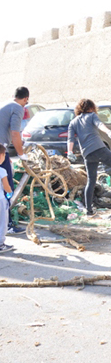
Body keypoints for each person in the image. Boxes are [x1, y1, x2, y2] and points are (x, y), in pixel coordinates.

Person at [67, 99, 111, 216]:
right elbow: (100, 125)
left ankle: (89, 210)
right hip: (99, 149)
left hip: (87, 154)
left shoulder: (73, 122)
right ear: (91, 107)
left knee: (91, 181)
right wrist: (109, 132)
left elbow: (70, 139)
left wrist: (69, 152)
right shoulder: (92, 116)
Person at [0, 87, 31, 235]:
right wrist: (21, 154)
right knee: (7, 188)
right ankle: (8, 225)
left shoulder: (5, 104)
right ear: (25, 99)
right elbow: (15, 133)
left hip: (2, 151)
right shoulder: (18, 108)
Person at [0, 145, 14, 252]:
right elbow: (6, 186)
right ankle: (0, 244)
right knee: (3, 221)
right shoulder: (2, 171)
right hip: (1, 200)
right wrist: (10, 192)